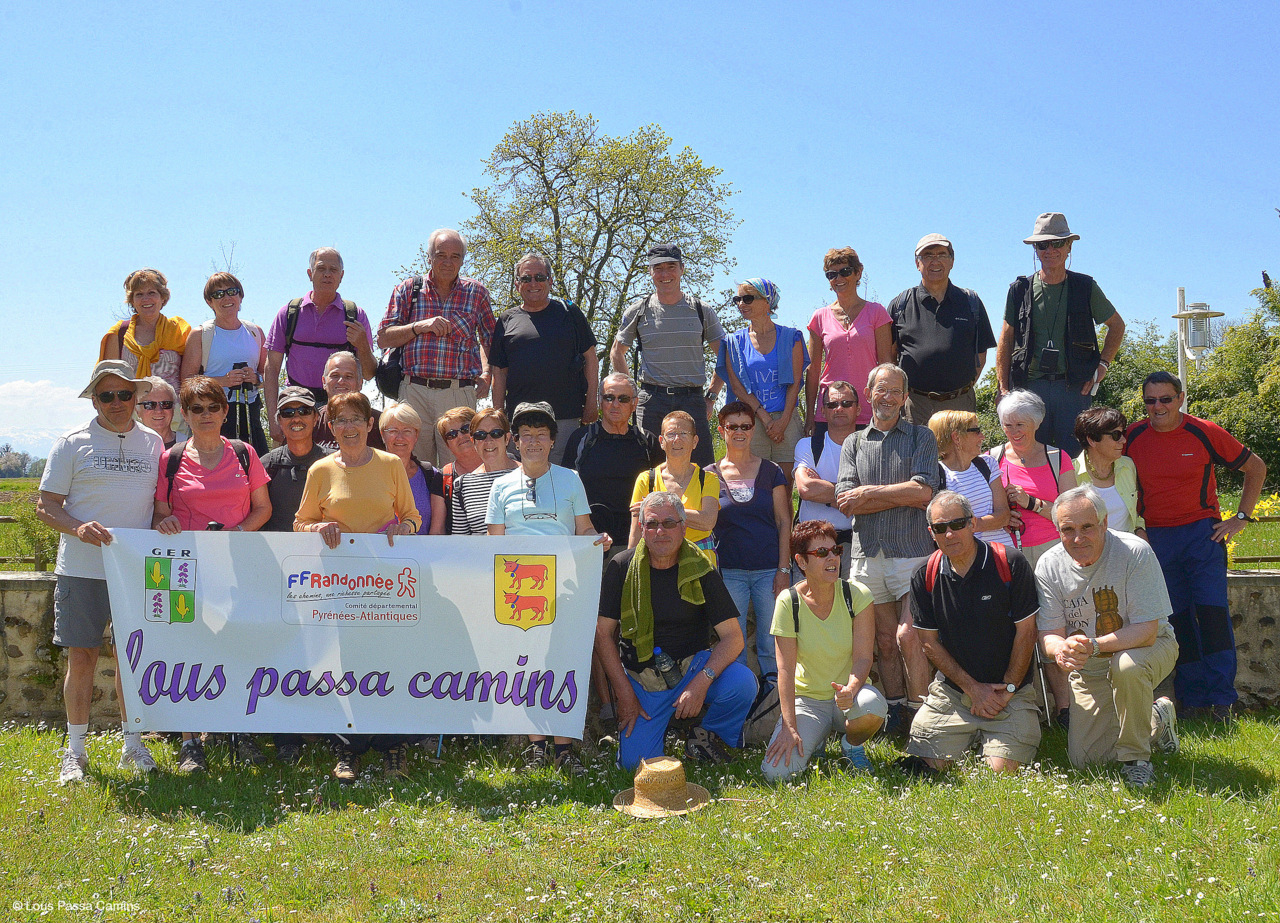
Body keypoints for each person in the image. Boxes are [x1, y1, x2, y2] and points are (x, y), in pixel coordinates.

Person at [38, 361, 165, 783]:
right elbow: (45, 506)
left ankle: (134, 745)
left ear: (137, 397)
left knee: (133, 658)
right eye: (107, 395)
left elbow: (158, 505)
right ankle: (75, 751)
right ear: (94, 400)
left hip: (136, 572)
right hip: (81, 569)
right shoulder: (72, 443)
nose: (117, 402)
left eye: (124, 394)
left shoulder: (154, 443)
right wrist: (77, 527)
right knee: (82, 656)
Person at [1125, 371, 1267, 720]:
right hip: (1157, 538)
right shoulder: (1133, 436)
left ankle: (1222, 700)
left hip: (1202, 534)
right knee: (1178, 618)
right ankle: (1192, 700)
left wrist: (1241, 517)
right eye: (1150, 400)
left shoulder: (1204, 431)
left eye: (1165, 399)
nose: (1158, 407)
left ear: (1181, 398)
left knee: (1212, 614)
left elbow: (1256, 468)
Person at [294, 390, 420, 782]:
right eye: (340, 420)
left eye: (356, 419)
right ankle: (348, 748)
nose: (349, 427)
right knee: (346, 664)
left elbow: (412, 516)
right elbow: (299, 523)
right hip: (338, 585)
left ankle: (392, 747)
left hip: (384, 583)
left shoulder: (390, 465)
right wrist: (318, 527)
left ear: (369, 425)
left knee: (388, 661)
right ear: (331, 428)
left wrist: (404, 527)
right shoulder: (320, 470)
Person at [154, 375, 272, 772]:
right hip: (186, 570)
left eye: (213, 407)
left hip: (237, 567)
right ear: (185, 415)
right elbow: (159, 513)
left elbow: (263, 508)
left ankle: (241, 731)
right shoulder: (170, 459)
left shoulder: (244, 453)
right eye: (196, 408)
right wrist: (165, 522)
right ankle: (190, 742)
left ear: (224, 412)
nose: (205, 415)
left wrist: (236, 534)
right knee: (187, 651)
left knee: (238, 647)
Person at [487, 401, 611, 775]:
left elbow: (584, 529)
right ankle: (535, 747)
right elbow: (494, 543)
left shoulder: (571, 479)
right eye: (526, 435)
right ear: (515, 441)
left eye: (541, 435)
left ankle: (564, 749)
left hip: (564, 588)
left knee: (562, 665)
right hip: (518, 595)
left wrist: (597, 539)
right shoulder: (500, 485)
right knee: (525, 667)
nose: (534, 442)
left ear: (553, 440)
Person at [595, 492, 757, 770]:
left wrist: (701, 682)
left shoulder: (701, 568)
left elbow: (733, 638)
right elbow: (602, 634)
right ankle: (664, 724)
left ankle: (706, 735)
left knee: (743, 683)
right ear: (642, 528)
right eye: (652, 524)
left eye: (669, 523)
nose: (660, 531)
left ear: (683, 527)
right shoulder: (621, 566)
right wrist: (624, 693)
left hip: (691, 670)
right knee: (636, 765)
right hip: (643, 680)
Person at [1035, 485, 1181, 787]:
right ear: (1058, 530)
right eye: (1068, 529)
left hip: (1150, 647)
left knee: (1126, 667)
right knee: (1086, 760)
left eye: (1087, 527)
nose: (1078, 538)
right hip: (1091, 662)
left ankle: (1136, 761)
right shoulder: (1049, 565)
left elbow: (1147, 631)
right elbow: (1048, 634)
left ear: (1104, 523)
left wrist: (1093, 645)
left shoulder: (1134, 551)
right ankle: (1156, 718)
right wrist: (1061, 650)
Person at [903, 491, 1041, 775]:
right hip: (954, 693)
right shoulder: (924, 574)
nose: (949, 533)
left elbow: (1027, 634)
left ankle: (989, 742)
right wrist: (973, 689)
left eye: (957, 524)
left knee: (999, 772)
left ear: (973, 524)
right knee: (926, 766)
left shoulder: (1010, 563)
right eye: (940, 528)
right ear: (931, 533)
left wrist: (1008, 689)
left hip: (1010, 693)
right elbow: (928, 643)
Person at [834, 363, 939, 731]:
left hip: (913, 553)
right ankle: (895, 713)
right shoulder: (853, 443)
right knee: (883, 641)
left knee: (908, 636)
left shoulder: (922, 437)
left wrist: (867, 493)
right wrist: (899, 494)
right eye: (882, 389)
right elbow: (845, 502)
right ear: (868, 394)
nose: (889, 397)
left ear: (905, 397)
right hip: (866, 555)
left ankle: (922, 717)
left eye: (896, 391)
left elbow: (924, 492)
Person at [762, 520, 885, 781]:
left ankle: (851, 746)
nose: (832, 558)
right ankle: (815, 739)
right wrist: (789, 727)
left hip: (848, 697)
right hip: (807, 702)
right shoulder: (788, 601)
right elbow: (785, 670)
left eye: (835, 551)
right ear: (801, 561)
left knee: (873, 706)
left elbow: (864, 657)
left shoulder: (857, 595)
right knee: (776, 774)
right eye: (821, 552)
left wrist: (851, 689)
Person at [996, 213, 1126, 454]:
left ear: (1069, 246)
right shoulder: (1019, 290)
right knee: (1031, 455)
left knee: (1075, 457)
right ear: (1035, 249)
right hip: (1030, 388)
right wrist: (1003, 389)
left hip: (1073, 388)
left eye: (1057, 243)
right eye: (1043, 244)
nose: (1050, 250)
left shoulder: (1085, 287)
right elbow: (1006, 338)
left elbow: (1117, 325)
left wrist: (1103, 365)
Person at [988, 388, 1078, 724]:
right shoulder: (991, 459)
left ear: (1037, 423)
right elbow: (981, 509)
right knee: (1017, 632)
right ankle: (1030, 709)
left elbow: (1073, 515)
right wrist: (1001, 516)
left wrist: (1031, 503)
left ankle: (1066, 708)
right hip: (1009, 555)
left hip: (1054, 555)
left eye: (1020, 424)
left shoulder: (1058, 458)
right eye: (1007, 425)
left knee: (1055, 628)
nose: (1013, 432)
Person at [376, 228, 495, 466]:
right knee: (412, 465)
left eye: (455, 256)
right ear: (429, 257)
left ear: (462, 260)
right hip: (414, 392)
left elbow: (490, 340)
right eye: (441, 255)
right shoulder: (408, 290)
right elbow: (383, 338)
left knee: (464, 464)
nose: (448, 262)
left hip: (458, 393)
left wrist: (486, 373)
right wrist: (419, 327)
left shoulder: (477, 293)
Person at [258, 386, 330, 764]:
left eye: (304, 410)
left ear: (316, 417)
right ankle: (286, 736)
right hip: (279, 578)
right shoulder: (266, 465)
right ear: (279, 421)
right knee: (283, 656)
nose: (296, 418)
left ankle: (325, 727)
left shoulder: (334, 463)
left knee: (325, 656)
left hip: (327, 578)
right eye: (288, 412)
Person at [610, 243, 724, 467]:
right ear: (650, 272)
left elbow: (724, 355)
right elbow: (617, 352)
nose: (665, 274)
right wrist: (631, 395)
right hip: (652, 402)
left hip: (692, 400)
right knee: (647, 468)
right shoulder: (638, 311)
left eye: (671, 267)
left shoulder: (701, 310)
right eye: (658, 268)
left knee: (701, 470)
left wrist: (711, 396)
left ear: (682, 269)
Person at [707, 402, 792, 685]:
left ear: (754, 430)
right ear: (722, 430)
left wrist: (783, 569)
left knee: (772, 643)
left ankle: (774, 702)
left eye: (745, 426)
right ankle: (742, 702)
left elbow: (784, 521)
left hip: (769, 571)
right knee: (734, 645)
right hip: (729, 572)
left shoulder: (771, 471)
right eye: (732, 426)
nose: (739, 432)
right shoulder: (708, 475)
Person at [489, 251, 599, 464]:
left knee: (562, 475)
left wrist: (591, 403)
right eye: (526, 278)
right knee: (522, 475)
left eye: (539, 277)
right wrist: (498, 415)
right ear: (517, 283)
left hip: (564, 416)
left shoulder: (570, 313)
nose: (533, 283)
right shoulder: (506, 319)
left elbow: (591, 359)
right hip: (520, 418)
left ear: (550, 280)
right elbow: (499, 372)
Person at [263, 247, 377, 442]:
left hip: (341, 408)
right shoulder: (289, 313)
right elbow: (271, 368)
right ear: (310, 273)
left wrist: (363, 346)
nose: (327, 274)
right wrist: (274, 419)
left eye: (333, 270)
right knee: (289, 461)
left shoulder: (355, 315)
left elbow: (367, 374)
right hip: (296, 406)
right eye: (321, 268)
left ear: (341, 276)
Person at [887, 234, 996, 424]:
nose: (935, 261)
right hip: (915, 406)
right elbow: (890, 355)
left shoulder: (971, 302)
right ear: (917, 263)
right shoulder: (900, 304)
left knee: (962, 446)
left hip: (960, 404)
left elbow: (981, 354)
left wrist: (960, 390)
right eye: (928, 255)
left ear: (952, 261)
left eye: (941, 254)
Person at [708, 277, 808, 480]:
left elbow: (795, 383)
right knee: (755, 483)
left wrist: (783, 421)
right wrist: (766, 419)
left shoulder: (792, 337)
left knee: (785, 485)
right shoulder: (733, 342)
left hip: (786, 419)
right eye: (737, 299)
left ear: (767, 301)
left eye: (748, 298)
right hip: (750, 422)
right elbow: (737, 387)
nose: (741, 304)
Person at [562, 372, 665, 552]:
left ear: (634, 403)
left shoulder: (648, 442)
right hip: (591, 540)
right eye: (609, 398)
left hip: (638, 541)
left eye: (623, 399)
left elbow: (663, 490)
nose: (615, 404)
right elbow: (565, 489)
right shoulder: (581, 439)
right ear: (600, 401)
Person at [805, 249, 893, 437]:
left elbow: (886, 366)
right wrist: (810, 416)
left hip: (869, 410)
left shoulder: (877, 313)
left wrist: (887, 409)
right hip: (830, 410)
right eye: (832, 274)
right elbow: (813, 371)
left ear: (858, 272)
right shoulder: (819, 317)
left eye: (845, 271)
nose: (838, 278)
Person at [180, 273, 269, 456]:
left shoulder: (255, 332)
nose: (226, 298)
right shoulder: (201, 334)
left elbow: (267, 375)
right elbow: (187, 381)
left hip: (250, 412)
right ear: (209, 302)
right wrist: (222, 381)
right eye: (218, 294)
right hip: (213, 415)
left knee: (258, 464)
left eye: (232, 292)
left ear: (240, 296)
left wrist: (255, 378)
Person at [628, 411, 720, 563]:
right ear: (661, 441)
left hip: (701, 562)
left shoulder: (708, 479)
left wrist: (656, 509)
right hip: (657, 563)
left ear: (695, 441)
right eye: (671, 434)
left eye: (684, 433)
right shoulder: (646, 480)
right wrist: (630, 567)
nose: (677, 439)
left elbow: (708, 521)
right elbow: (636, 533)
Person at [793, 380, 859, 578]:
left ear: (858, 408)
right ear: (822, 411)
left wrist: (825, 494)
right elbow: (806, 489)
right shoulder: (808, 445)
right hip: (812, 546)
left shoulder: (870, 448)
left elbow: (874, 495)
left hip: (856, 546)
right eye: (832, 404)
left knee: (853, 598)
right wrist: (854, 494)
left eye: (846, 403)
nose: (839, 408)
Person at [100, 268, 190, 396]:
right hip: (132, 406)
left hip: (172, 406)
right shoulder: (119, 333)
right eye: (139, 294)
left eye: (151, 293)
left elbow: (190, 377)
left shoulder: (179, 330)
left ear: (163, 297)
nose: (145, 299)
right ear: (132, 300)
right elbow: (109, 381)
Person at [928, 410, 1011, 547]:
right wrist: (984, 523)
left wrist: (963, 525)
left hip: (1001, 550)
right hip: (965, 554)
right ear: (956, 437)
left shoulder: (987, 464)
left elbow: (1004, 516)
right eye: (976, 431)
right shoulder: (936, 475)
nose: (982, 436)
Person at [1073, 406, 1145, 540]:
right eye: (1116, 435)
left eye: (1123, 433)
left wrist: (1140, 530)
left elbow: (1135, 514)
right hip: (1089, 549)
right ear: (1092, 440)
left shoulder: (1127, 466)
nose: (1123, 440)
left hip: (1127, 548)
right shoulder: (1070, 473)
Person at [448, 407, 517, 535]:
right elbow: (460, 539)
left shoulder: (529, 476)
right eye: (480, 435)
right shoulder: (462, 485)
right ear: (473, 441)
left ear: (507, 438)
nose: (488, 441)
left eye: (496, 433)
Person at [379, 402, 446, 535]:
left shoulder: (431, 475)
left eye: (407, 431)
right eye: (393, 431)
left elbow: (437, 532)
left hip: (422, 548)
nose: (400, 437)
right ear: (382, 435)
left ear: (416, 436)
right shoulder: (369, 474)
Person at [311, 352, 385, 452]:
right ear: (324, 382)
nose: (341, 381)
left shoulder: (381, 423)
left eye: (348, 376)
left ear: (360, 383)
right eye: (335, 375)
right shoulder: (312, 423)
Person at [435, 407, 484, 534]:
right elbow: (437, 531)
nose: (460, 436)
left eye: (465, 429)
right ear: (447, 445)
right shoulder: (441, 478)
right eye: (451, 434)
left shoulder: (506, 465)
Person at [136, 376, 182, 449]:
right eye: (150, 405)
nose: (158, 411)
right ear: (137, 410)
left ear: (173, 408)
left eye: (165, 404)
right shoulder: (128, 446)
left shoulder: (188, 446)